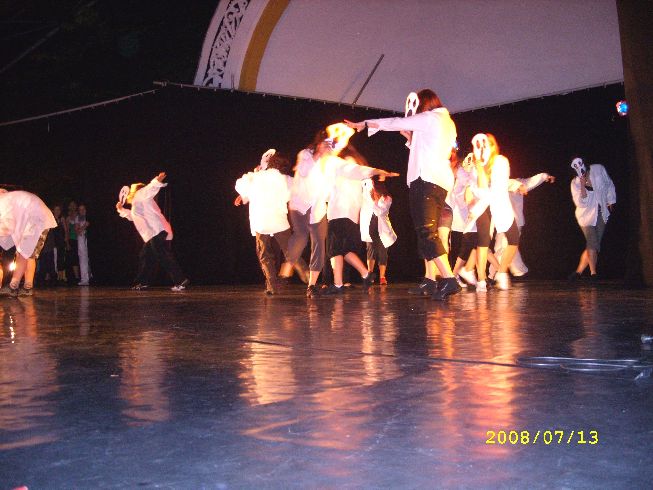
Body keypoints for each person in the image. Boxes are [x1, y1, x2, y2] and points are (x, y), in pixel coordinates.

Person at [345, 88, 461, 300]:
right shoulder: (446, 122)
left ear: (423, 104)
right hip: (438, 180)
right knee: (427, 231)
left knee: (426, 231)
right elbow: (427, 149)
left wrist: (366, 124)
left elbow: (395, 121)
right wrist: (410, 139)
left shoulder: (431, 118)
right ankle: (430, 279)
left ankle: (448, 279)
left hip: (426, 180)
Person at [234, 151, 302, 295]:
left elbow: (240, 184)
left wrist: (244, 194)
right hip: (278, 220)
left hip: (261, 221)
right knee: (290, 250)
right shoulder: (284, 179)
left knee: (265, 255)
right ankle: (306, 273)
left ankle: (271, 285)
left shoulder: (255, 176)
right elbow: (295, 192)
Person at [116, 172, 189, 291]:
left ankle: (180, 280)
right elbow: (133, 217)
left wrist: (157, 180)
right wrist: (121, 210)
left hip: (156, 231)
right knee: (146, 257)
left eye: (132, 189)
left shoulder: (140, 194)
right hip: (153, 233)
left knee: (163, 256)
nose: (129, 192)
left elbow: (149, 189)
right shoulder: (138, 203)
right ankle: (142, 282)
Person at [465, 133, 520, 291]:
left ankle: (501, 272)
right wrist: (478, 167)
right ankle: (481, 279)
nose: (484, 148)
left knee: (513, 238)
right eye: (480, 145)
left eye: (488, 144)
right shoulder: (476, 166)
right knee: (483, 241)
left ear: (494, 146)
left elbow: (497, 189)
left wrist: (477, 207)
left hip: (498, 204)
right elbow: (479, 187)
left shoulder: (501, 162)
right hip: (482, 205)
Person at [490, 173, 556, 279]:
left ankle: (495, 274)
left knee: (504, 247)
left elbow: (531, 182)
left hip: (514, 222)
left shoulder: (515, 182)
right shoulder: (497, 185)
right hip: (502, 222)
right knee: (505, 247)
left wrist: (544, 176)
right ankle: (517, 271)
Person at [0, 189, 57, 297]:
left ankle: (13, 286)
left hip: (36, 219)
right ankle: (27, 287)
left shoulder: (3, 202)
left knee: (23, 252)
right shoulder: (8, 199)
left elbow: (6, 227)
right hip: (37, 217)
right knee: (29, 254)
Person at [568, 157, 616, 281]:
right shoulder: (575, 183)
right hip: (586, 217)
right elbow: (580, 203)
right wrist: (583, 186)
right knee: (592, 242)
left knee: (593, 244)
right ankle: (593, 273)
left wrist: (611, 200)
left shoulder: (598, 169)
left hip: (601, 213)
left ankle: (578, 273)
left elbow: (609, 184)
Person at [360, 177, 397, 285]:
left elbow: (379, 212)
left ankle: (382, 277)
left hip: (382, 229)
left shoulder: (387, 198)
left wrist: (375, 201)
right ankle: (370, 274)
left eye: (374, 189)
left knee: (382, 252)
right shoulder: (367, 196)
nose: (373, 191)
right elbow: (363, 183)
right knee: (370, 250)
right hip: (369, 227)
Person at [76, 203, 91, 286]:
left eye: (83, 209)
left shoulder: (89, 217)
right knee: (82, 259)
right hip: (81, 240)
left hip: (88, 239)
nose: (82, 211)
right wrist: (84, 226)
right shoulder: (78, 218)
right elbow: (77, 231)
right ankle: (84, 279)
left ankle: (90, 277)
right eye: (80, 210)